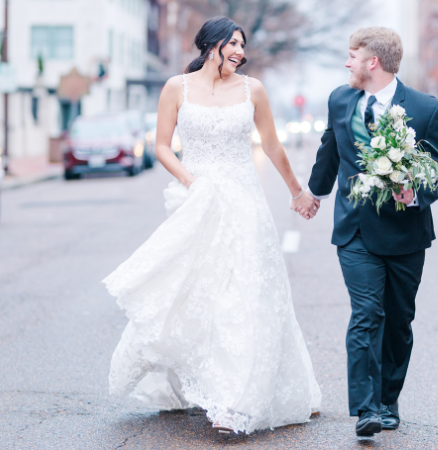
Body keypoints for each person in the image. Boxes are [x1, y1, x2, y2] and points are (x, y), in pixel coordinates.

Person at [103, 17, 321, 435]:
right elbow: (162, 146)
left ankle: (233, 403)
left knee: (242, 297)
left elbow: (272, 145)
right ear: (210, 45)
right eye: (233, 44)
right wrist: (191, 181)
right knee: (191, 291)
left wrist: (298, 192)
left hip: (244, 203)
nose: (239, 52)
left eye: (243, 45)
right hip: (198, 201)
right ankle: (194, 382)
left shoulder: (252, 89)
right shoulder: (176, 88)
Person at [294, 27, 438, 437]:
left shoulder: (424, 109)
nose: (346, 63)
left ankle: (388, 399)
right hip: (355, 231)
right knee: (367, 314)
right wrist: (314, 192)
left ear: (373, 62)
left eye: (352, 55)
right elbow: (330, 151)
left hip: (405, 234)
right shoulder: (340, 99)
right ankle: (366, 408)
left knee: (399, 321)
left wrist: (416, 193)